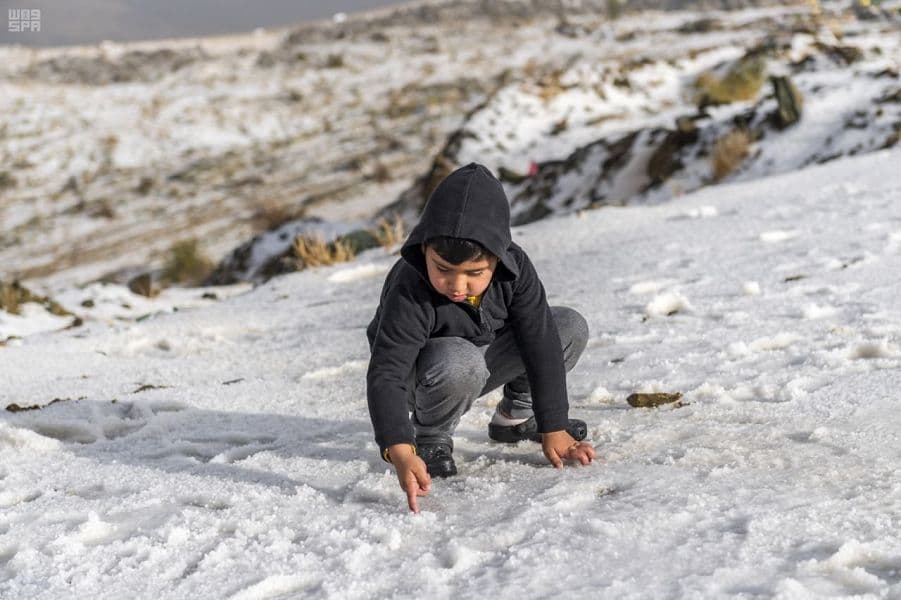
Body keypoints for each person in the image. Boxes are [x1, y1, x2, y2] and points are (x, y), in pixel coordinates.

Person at [366, 162, 595, 513]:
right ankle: (431, 436)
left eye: (474, 273)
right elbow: (388, 371)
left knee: (566, 325)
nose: (457, 285)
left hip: (481, 361)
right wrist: (400, 448)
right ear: (424, 249)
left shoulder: (515, 270)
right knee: (460, 358)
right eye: (442, 269)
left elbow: (540, 340)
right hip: (424, 377)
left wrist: (554, 424)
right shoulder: (409, 285)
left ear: (498, 258)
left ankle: (517, 417)